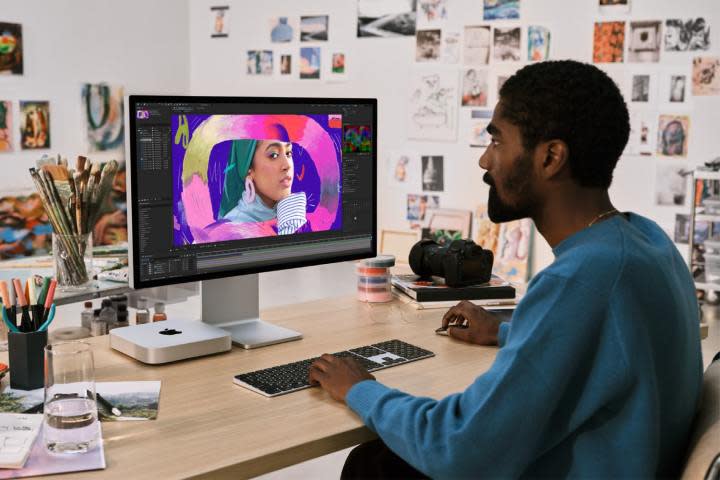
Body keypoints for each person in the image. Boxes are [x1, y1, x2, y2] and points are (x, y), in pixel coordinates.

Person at [308, 60, 702, 478]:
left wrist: (360, 388)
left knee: (373, 467)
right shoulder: (647, 241)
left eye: (496, 142)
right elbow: (608, 348)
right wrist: (505, 331)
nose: (484, 161)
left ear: (551, 157)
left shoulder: (582, 280)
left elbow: (458, 448)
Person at [220, 138, 307, 235]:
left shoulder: (292, 213)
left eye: (288, 153)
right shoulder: (234, 229)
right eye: (274, 155)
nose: (287, 165)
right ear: (249, 169)